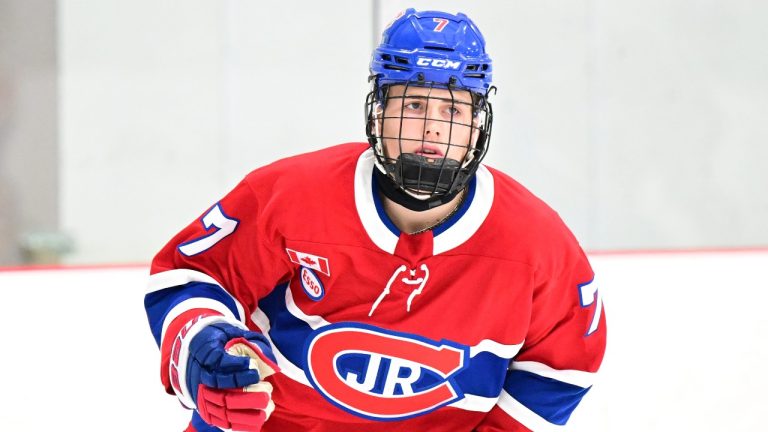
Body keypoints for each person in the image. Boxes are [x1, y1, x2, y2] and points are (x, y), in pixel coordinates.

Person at [145, 8, 606, 432]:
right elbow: (194, 272)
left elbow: (561, 368)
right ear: (379, 110)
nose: (432, 129)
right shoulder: (290, 195)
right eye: (413, 105)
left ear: (479, 123)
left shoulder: (536, 244)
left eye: (453, 110)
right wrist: (205, 349)